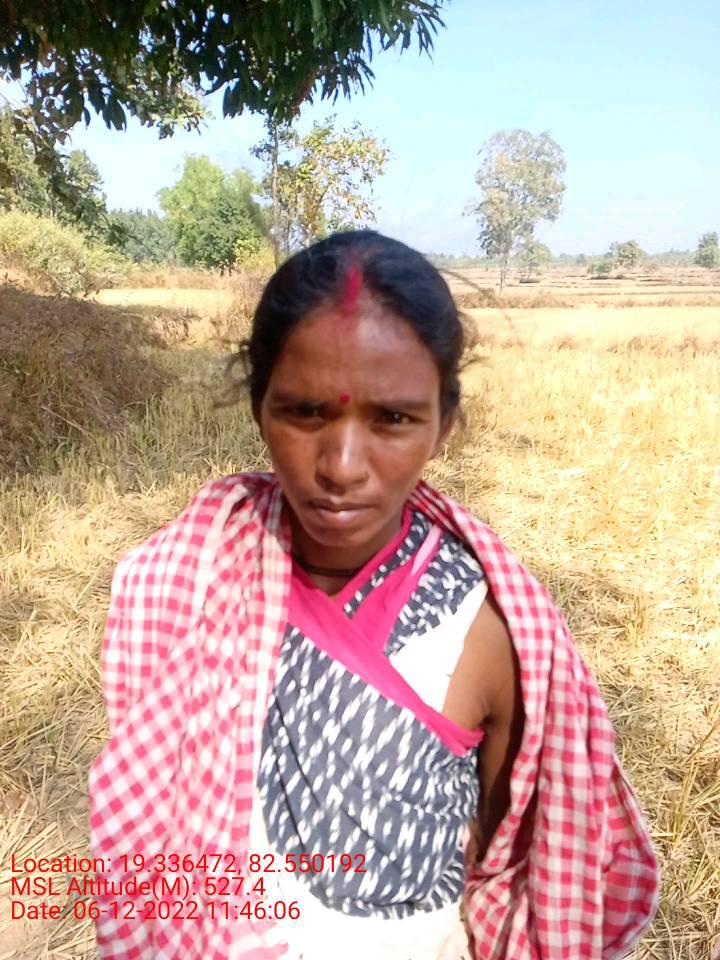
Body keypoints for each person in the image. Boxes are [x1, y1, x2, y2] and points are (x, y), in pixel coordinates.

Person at [89, 230, 659, 960]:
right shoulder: (191, 578)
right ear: (258, 406)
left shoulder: (490, 629)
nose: (342, 466)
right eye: (306, 412)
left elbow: (504, 847)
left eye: (392, 418)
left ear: (444, 424)